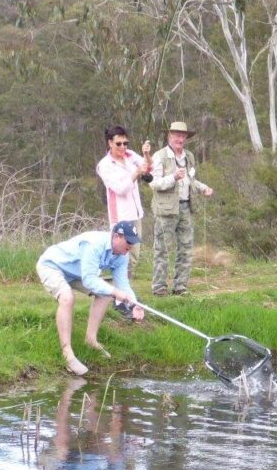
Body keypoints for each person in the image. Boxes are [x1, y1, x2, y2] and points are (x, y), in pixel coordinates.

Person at [36, 220, 145, 376]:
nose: (131, 246)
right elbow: (89, 280)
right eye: (128, 241)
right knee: (67, 297)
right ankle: (67, 353)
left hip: (77, 273)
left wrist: (134, 304)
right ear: (116, 236)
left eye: (133, 242)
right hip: (52, 266)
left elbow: (123, 285)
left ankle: (91, 340)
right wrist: (115, 291)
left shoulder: (122, 255)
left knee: (104, 293)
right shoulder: (94, 244)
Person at [149, 120, 214, 296]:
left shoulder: (189, 157)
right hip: (166, 210)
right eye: (177, 135)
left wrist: (203, 188)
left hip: (186, 207)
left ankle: (180, 286)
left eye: (183, 135)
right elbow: (153, 183)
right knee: (162, 249)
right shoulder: (159, 156)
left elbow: (191, 180)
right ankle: (159, 287)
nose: (180, 138)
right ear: (169, 136)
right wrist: (173, 177)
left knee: (186, 248)